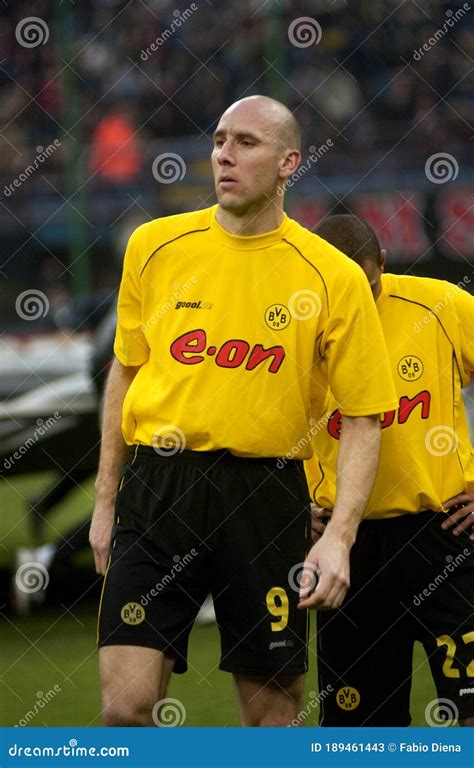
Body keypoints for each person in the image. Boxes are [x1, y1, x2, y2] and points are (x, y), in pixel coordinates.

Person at [89, 96, 398, 727]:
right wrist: (105, 499)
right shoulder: (155, 246)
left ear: (289, 163)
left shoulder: (332, 276)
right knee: (125, 708)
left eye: (247, 143)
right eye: (220, 139)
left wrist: (339, 538)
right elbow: (126, 369)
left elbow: (366, 415)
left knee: (272, 717)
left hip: (264, 498)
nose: (225, 155)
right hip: (158, 490)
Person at [305, 214, 474, 727]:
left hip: (443, 533)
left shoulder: (440, 305)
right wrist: (291, 506)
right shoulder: (293, 322)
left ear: (382, 262)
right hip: (345, 549)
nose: (355, 300)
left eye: (367, 285)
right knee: (361, 736)